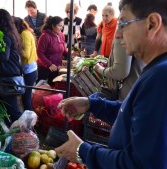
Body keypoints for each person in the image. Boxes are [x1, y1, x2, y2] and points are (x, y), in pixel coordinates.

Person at [55, 0, 167, 168]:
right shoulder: (156, 69)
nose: (119, 34)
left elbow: (141, 164)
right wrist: (90, 104)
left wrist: (83, 151)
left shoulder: (161, 76)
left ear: (152, 24)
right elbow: (132, 114)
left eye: (123, 24)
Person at [0, 9, 23, 125]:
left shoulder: (4, 35)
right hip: (10, 75)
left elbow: (2, 57)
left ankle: (27, 136)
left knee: (12, 110)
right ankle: (14, 134)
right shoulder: (11, 33)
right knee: (6, 109)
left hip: (8, 78)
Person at [13, 17, 38, 111]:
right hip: (29, 69)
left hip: (29, 71)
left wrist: (14, 50)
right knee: (26, 97)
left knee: (26, 98)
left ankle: (29, 121)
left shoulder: (24, 34)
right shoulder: (24, 33)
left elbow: (26, 54)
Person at [36, 16, 68, 86]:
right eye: (59, 26)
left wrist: (70, 55)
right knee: (42, 89)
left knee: (53, 87)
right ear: (53, 26)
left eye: (62, 26)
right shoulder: (45, 36)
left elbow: (64, 50)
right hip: (45, 68)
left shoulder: (61, 35)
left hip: (56, 68)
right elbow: (39, 53)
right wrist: (49, 64)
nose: (61, 28)